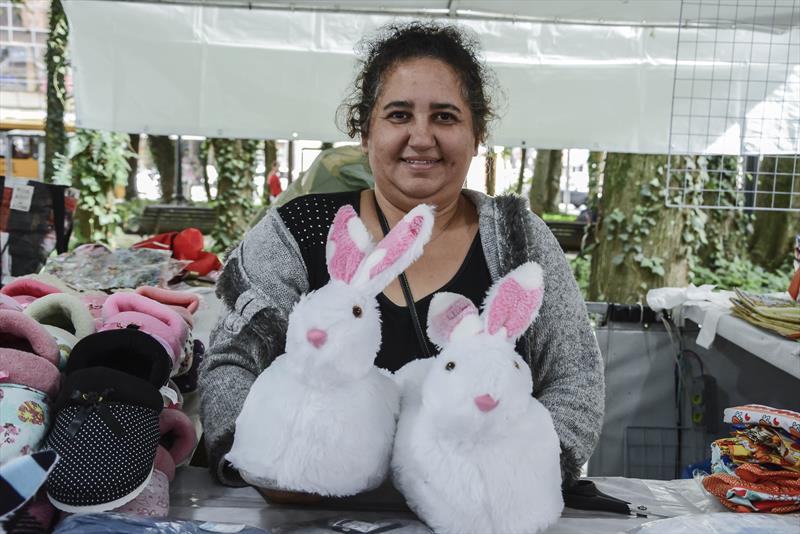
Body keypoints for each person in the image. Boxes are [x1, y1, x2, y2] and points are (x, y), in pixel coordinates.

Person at [199, 22, 604, 490]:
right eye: (398, 115)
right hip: (307, 509)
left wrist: (517, 480)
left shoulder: (519, 241)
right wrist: (260, 466)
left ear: (477, 134)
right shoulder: (300, 229)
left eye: (445, 117)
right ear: (365, 131)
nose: (422, 137)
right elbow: (230, 357)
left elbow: (575, 380)